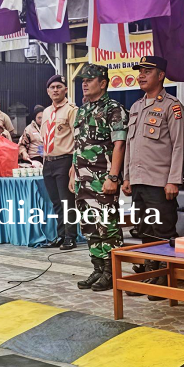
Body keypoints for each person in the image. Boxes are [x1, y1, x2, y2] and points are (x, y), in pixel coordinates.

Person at [121, 56, 184, 301]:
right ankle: (150, 273)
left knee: (162, 230)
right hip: (138, 180)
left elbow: (179, 145)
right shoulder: (136, 107)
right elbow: (130, 144)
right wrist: (127, 177)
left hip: (160, 182)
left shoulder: (172, 106)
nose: (142, 75)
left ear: (161, 75)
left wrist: (174, 180)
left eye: (148, 71)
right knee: (144, 230)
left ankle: (164, 278)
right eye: (140, 71)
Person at [71, 63, 127, 292]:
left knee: (108, 226)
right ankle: (97, 267)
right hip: (82, 179)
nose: (84, 83)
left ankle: (111, 272)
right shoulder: (83, 110)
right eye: (82, 80)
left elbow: (119, 144)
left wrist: (113, 177)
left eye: (89, 79)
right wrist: (72, 172)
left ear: (103, 83)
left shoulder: (114, 109)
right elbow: (78, 145)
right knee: (89, 226)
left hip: (102, 178)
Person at [41, 74, 79, 250]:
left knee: (67, 202)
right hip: (49, 161)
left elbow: (78, 139)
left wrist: (74, 166)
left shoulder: (72, 110)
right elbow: (44, 137)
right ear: (48, 91)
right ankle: (60, 235)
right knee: (56, 203)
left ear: (65, 89)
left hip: (65, 160)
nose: (55, 90)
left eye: (59, 87)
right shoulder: (47, 112)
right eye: (52, 87)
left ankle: (70, 237)